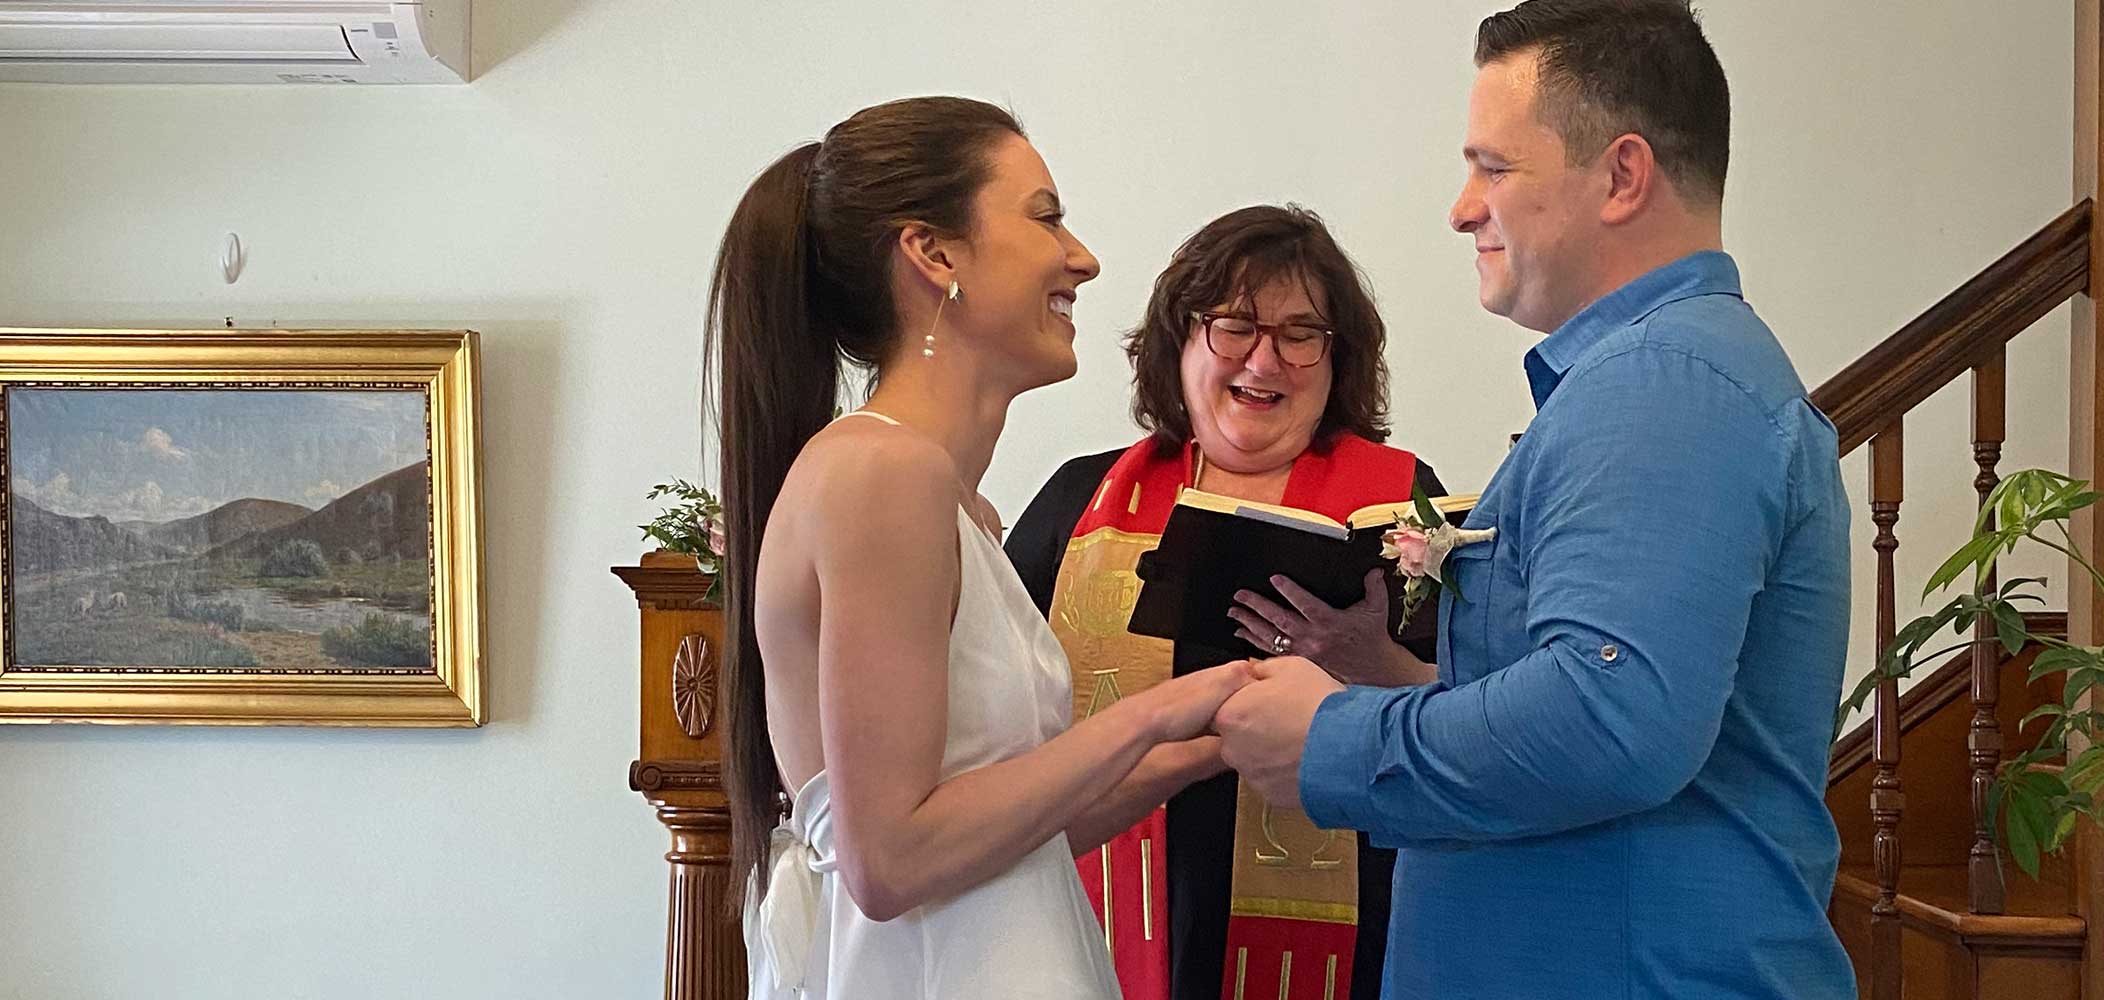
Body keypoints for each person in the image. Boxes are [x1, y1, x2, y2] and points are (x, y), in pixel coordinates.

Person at [1210, 3, 1857, 998]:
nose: (1464, 207)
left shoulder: (1664, 383)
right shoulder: (1660, 379)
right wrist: (1384, 674)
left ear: (1622, 175)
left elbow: (1612, 720)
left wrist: (1334, 741)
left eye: (1494, 167)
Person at [708, 96, 1250, 1000]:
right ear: (933, 253)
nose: (1082, 256)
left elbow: (1002, 836)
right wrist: (1149, 713)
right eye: (1045, 217)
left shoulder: (950, 499)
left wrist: (1211, 737)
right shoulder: (881, 475)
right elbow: (889, 860)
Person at [1006, 204, 1443, 1000]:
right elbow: (996, 713)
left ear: (1337, 357)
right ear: (1179, 340)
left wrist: (1372, 663)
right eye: (1235, 325)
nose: (1265, 359)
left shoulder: (1403, 510)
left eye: (1301, 332)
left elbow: (1472, 712)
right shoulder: (1078, 503)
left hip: (1358, 928)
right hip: (1101, 908)